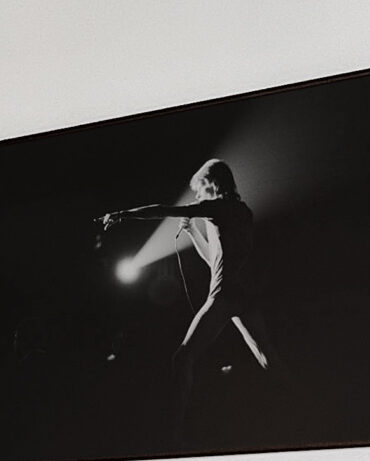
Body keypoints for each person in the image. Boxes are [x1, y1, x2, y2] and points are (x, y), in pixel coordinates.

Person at [97, 158, 269, 421]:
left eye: (199, 188)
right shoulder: (242, 211)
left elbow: (162, 210)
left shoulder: (217, 207)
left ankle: (174, 433)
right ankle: (299, 407)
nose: (197, 195)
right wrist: (191, 232)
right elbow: (214, 260)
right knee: (266, 356)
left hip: (223, 295)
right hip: (244, 294)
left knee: (182, 358)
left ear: (211, 183)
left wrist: (123, 214)